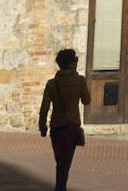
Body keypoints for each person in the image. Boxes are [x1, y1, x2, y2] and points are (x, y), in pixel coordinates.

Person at [38, 49, 91, 191]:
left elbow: (44, 109)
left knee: (60, 160)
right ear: (72, 64)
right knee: (65, 162)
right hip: (71, 126)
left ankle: (60, 186)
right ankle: (60, 187)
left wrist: (42, 127)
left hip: (56, 127)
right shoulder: (79, 81)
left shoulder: (51, 84)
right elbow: (87, 100)